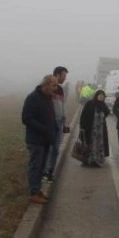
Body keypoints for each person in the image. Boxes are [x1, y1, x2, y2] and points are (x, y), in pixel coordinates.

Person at [21, 75, 58, 204]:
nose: (55, 88)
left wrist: (53, 131)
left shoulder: (47, 98)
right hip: (35, 140)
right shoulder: (33, 98)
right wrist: (44, 128)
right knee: (35, 166)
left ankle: (38, 190)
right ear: (46, 85)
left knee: (42, 167)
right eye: (53, 85)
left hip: (46, 139)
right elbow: (26, 118)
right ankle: (33, 192)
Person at [42, 66, 69, 183]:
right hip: (51, 122)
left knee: (56, 148)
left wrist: (64, 118)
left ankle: (50, 172)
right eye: (64, 75)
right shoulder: (49, 89)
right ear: (57, 75)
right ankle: (45, 172)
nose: (65, 78)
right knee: (50, 148)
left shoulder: (61, 89)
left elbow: (61, 104)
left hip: (59, 121)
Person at [79, 90, 111, 167]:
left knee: (99, 146)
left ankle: (97, 161)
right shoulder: (90, 103)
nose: (101, 97)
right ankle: (88, 161)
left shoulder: (103, 105)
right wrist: (82, 127)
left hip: (100, 131)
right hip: (90, 129)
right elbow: (83, 115)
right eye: (100, 95)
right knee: (89, 145)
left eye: (103, 96)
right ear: (96, 95)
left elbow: (107, 112)